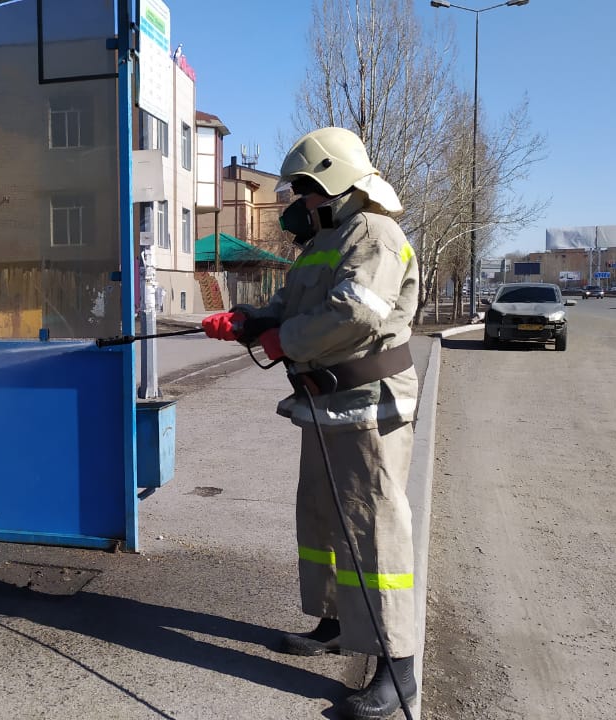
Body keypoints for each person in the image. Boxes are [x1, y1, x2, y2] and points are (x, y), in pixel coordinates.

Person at [201, 127, 420, 719]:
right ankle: (338, 624)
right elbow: (299, 305)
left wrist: (283, 338)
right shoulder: (328, 240)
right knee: (323, 519)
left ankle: (397, 667)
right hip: (326, 403)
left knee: (373, 529)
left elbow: (354, 313)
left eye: (304, 187)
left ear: (335, 182)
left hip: (368, 404)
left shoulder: (374, 233)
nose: (297, 199)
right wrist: (249, 319)